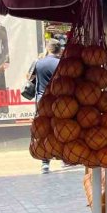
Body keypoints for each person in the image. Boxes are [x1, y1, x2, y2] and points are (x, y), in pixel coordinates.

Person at [32, 39, 61, 174]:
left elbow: (29, 77)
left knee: (43, 131)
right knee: (59, 129)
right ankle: (63, 158)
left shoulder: (39, 62)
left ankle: (45, 163)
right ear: (59, 49)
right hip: (57, 101)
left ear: (48, 48)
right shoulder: (60, 63)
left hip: (41, 100)